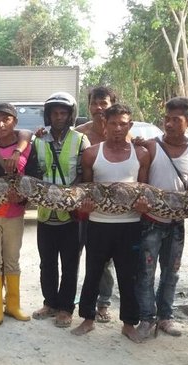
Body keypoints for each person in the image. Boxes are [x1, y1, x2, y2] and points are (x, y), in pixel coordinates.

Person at [72, 104, 150, 342]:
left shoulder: (141, 154)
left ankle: (129, 324)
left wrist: (144, 206)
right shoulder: (91, 154)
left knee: (129, 276)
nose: (118, 128)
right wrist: (85, 207)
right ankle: (87, 319)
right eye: (113, 123)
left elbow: (145, 191)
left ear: (130, 125)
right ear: (104, 124)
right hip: (98, 223)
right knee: (93, 273)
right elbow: (87, 190)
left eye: (123, 124)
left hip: (130, 224)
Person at [134, 97, 188, 338]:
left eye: (176, 120)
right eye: (167, 119)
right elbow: (141, 184)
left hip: (176, 224)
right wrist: (141, 204)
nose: (170, 124)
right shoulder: (151, 147)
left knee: (171, 272)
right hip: (150, 222)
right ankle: (146, 318)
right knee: (145, 272)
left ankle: (165, 317)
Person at [0, 102, 40, 329]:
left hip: (14, 213)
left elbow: (35, 180)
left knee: (12, 260)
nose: (1, 124)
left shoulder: (27, 148)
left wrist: (21, 197)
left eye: (6, 119)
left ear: (15, 122)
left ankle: (13, 305)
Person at [30, 92, 90, 328]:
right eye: (54, 113)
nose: (58, 117)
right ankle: (50, 303)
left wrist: (71, 197)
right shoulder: (38, 140)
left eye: (63, 113)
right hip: (45, 213)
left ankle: (66, 308)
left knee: (70, 264)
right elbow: (34, 173)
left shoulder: (80, 140)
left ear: (70, 115)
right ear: (48, 115)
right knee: (47, 262)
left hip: (70, 214)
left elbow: (85, 175)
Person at [75, 86, 118, 323]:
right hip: (80, 205)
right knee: (74, 254)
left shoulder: (122, 134)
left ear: (112, 106)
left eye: (104, 103)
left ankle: (103, 304)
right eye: (94, 103)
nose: (99, 108)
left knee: (104, 261)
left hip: (109, 209)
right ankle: (67, 302)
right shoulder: (79, 134)